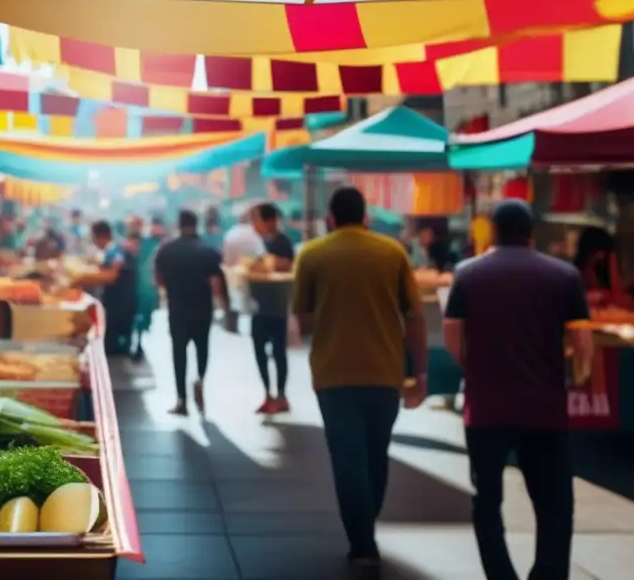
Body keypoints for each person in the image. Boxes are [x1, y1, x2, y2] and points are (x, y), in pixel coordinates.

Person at [443, 200, 593, 580]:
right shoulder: (564, 276)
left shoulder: (467, 273)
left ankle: (500, 575)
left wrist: (475, 366)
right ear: (531, 232)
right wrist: (576, 374)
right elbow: (582, 341)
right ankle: (548, 573)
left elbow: (451, 337)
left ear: (493, 231)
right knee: (555, 501)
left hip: (486, 407)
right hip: (544, 407)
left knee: (487, 499)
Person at [293, 187, 429, 574]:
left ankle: (362, 542)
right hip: (385, 373)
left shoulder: (312, 254)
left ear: (331, 217)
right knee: (376, 454)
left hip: (333, 374)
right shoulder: (393, 253)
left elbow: (301, 317)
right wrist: (419, 373)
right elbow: (415, 318)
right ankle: (366, 527)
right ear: (365, 215)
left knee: (347, 460)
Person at [155, 210, 229, 415]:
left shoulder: (165, 250)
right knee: (202, 348)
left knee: (179, 353)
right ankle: (199, 378)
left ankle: (181, 400)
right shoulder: (208, 251)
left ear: (178, 225)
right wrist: (223, 307)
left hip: (177, 310)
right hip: (202, 309)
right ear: (197, 225)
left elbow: (159, 281)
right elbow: (216, 284)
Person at [248, 202, 295, 414]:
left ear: (270, 220)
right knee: (259, 351)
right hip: (258, 305)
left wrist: (268, 262)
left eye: (256, 219)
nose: (253, 224)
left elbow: (287, 265)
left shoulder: (282, 241)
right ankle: (267, 393)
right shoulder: (256, 242)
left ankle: (282, 395)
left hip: (277, 305)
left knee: (278, 352)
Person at [73, 220, 136, 355]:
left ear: (98, 236)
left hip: (120, 301)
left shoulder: (116, 251)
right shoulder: (111, 251)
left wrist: (82, 278)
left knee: (114, 345)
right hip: (117, 300)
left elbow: (111, 276)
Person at [221, 210, 266, 332]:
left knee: (235, 300)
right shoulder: (255, 235)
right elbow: (261, 255)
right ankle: (256, 328)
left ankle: (233, 326)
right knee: (253, 302)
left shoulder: (230, 234)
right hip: (253, 275)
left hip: (234, 274)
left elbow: (226, 259)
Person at [131, 216, 165, 361]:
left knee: (143, 318)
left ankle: (138, 344)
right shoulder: (132, 245)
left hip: (146, 288)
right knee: (138, 317)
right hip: (136, 287)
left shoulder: (151, 244)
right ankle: (136, 344)